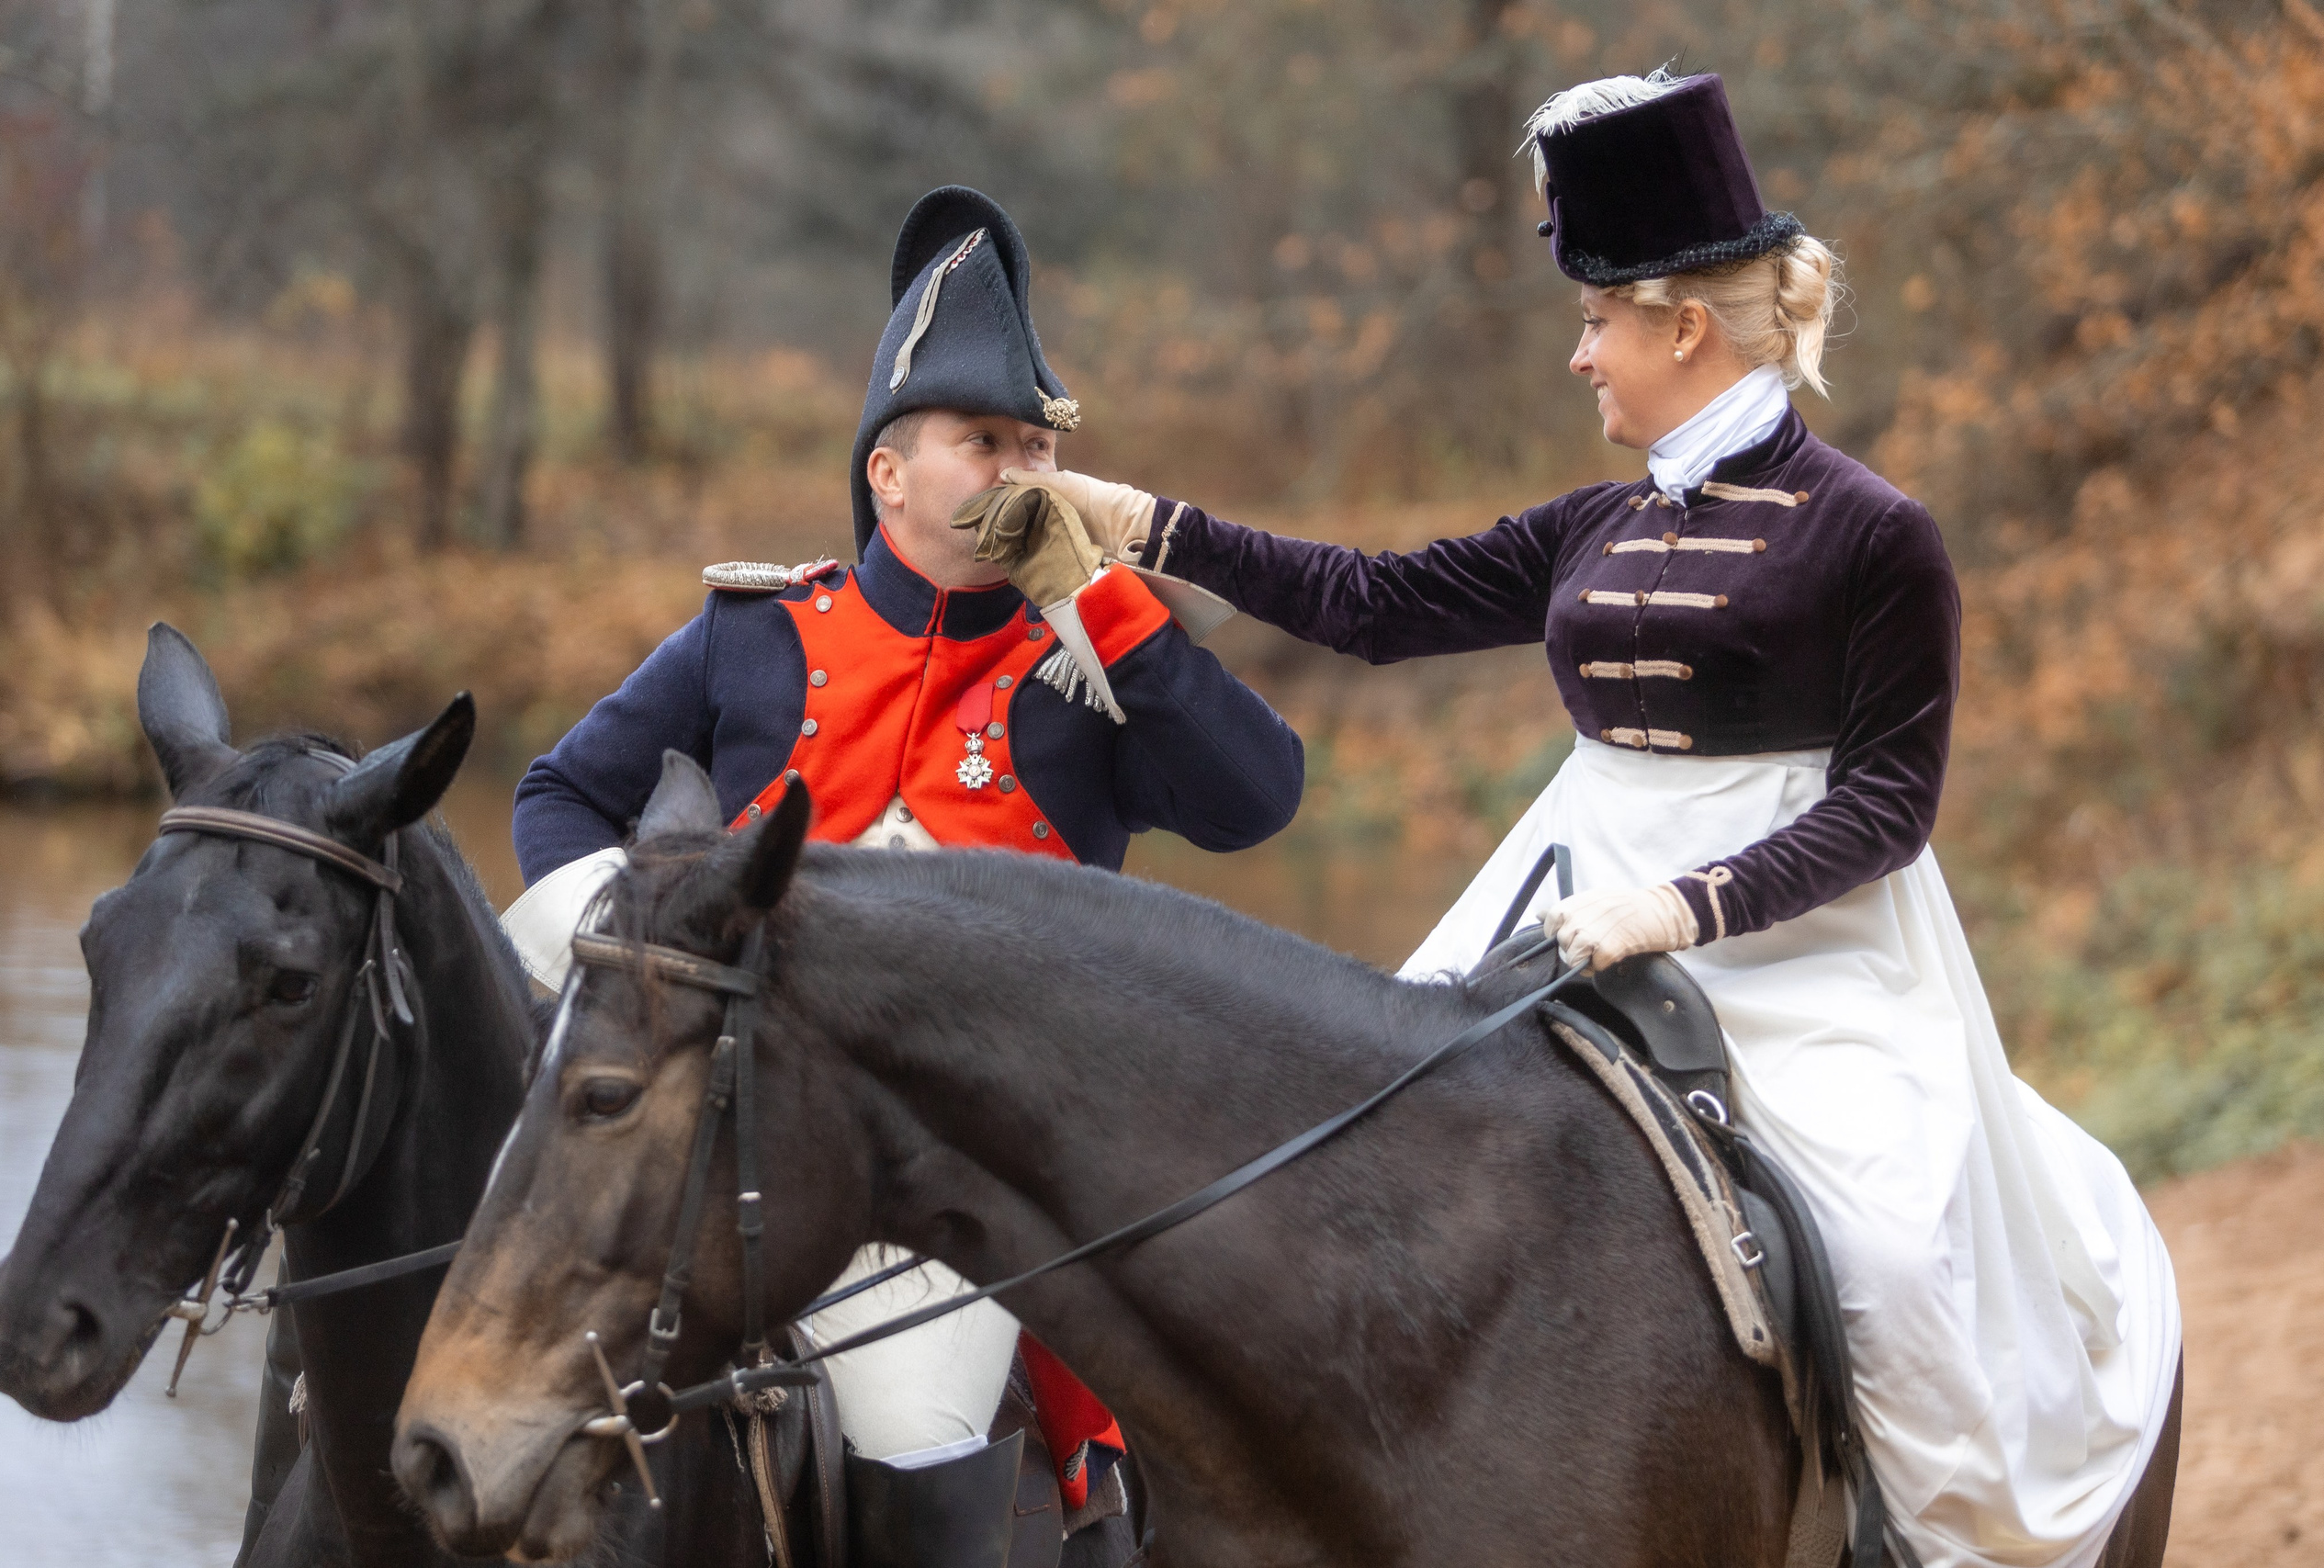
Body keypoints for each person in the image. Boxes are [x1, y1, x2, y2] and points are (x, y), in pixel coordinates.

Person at [1019, 70, 2181, 1568]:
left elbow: (1890, 805)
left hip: (1801, 942)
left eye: (1595, 323)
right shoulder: (1597, 523)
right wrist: (1138, 522)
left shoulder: (1874, 533)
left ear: (1681, 325)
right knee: (1365, 1147)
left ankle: (1905, 1540)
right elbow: (1373, 603)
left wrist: (1683, 910)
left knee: (1892, 1260)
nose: (1580, 358)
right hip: (1566, 883)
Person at [502, 186, 1305, 1567]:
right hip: (725, 1121)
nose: (1018, 466)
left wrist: (1105, 600)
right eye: (979, 440)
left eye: (1035, 442)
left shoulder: (1092, 665)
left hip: (966, 1164)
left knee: (917, 1420)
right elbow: (560, 798)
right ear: (889, 469)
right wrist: (638, 973)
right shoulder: (754, 634)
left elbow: (1258, 799)